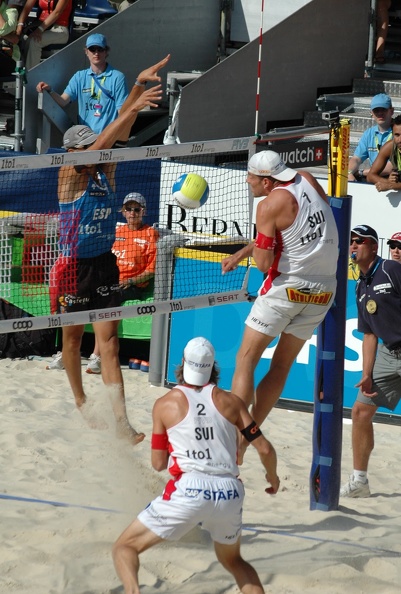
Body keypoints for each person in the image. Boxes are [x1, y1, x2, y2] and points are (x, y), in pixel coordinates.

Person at [51, 55, 169, 445]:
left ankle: (121, 423)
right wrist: (131, 106)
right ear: (72, 150)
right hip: (73, 265)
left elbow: (114, 135)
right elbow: (104, 141)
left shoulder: (107, 170)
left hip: (103, 263)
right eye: (85, 145)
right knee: (71, 340)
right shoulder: (69, 170)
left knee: (110, 344)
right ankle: (83, 403)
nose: (94, 148)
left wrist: (135, 87)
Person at [112, 336, 280, 594]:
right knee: (234, 561)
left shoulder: (165, 404)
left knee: (124, 548)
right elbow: (265, 448)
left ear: (182, 364)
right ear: (214, 368)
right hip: (229, 490)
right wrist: (273, 477)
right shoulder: (232, 402)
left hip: (190, 489)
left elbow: (158, 464)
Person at [228, 150, 338, 459]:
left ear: (266, 181)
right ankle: (244, 443)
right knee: (281, 367)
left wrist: (255, 249)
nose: (247, 181)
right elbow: (295, 229)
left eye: (250, 176)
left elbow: (264, 264)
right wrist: (241, 252)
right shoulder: (307, 179)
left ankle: (233, 434)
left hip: (288, 287)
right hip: (323, 291)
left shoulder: (267, 205)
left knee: (246, 359)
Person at [340, 224, 401, 498]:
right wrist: (366, 373)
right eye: (352, 241)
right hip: (389, 353)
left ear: (374, 247)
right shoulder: (360, 285)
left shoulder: (392, 269)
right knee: (360, 412)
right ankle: (360, 481)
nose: (354, 245)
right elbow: (368, 335)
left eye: (360, 241)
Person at [36, 33, 129, 134]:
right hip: (85, 138)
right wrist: (49, 90)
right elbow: (63, 101)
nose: (96, 53)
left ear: (106, 52)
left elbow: (122, 112)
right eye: (92, 49)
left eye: (100, 49)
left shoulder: (117, 77)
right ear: (86, 52)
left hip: (106, 138)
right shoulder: (80, 76)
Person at [112, 192, 159, 300]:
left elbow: (151, 270)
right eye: (128, 209)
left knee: (109, 297)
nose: (132, 213)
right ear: (123, 212)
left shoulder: (151, 234)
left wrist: (130, 281)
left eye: (136, 209)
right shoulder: (117, 232)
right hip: (112, 282)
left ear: (143, 212)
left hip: (132, 286)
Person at [348, 93, 394, 182]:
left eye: (383, 110)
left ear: (391, 111)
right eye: (376, 110)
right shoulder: (369, 133)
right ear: (371, 113)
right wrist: (349, 173)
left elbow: (392, 167)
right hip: (373, 177)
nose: (380, 113)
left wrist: (362, 172)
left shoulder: (398, 132)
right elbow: (356, 158)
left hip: (392, 179)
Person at [16, 0, 72, 70]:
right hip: (40, 24)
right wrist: (20, 25)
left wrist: (40, 29)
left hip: (60, 29)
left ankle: (31, 76)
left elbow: (57, 12)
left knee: (35, 41)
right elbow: (27, 8)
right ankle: (21, 70)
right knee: (21, 38)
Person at [367, 114, 401, 191]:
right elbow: (370, 176)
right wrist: (388, 182)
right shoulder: (389, 147)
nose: (400, 140)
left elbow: (392, 185)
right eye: (397, 135)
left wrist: (391, 186)